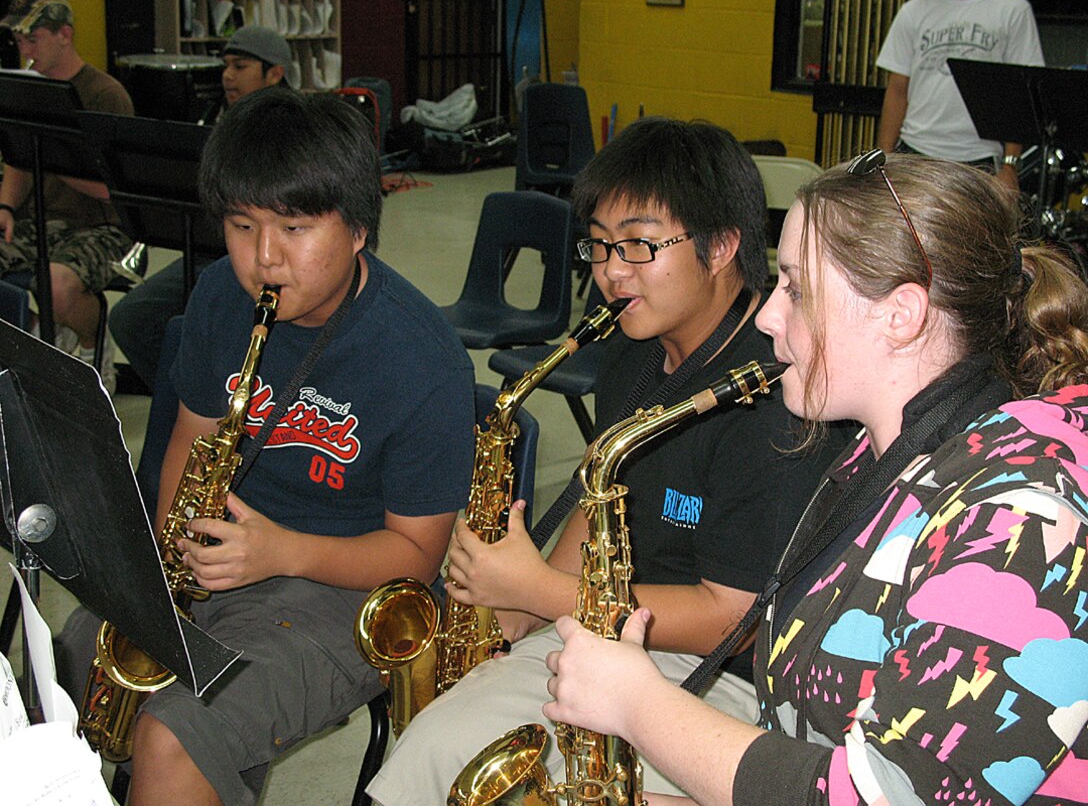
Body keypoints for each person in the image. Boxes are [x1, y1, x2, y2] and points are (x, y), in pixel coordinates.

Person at [544, 151, 1088, 805]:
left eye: (796, 290)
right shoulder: (879, 455)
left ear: (902, 315)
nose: (770, 316)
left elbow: (883, 794)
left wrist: (636, 704)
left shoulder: (1025, 523)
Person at [367, 117, 855, 804]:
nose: (610, 274)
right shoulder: (631, 350)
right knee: (432, 751)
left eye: (638, 246)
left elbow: (727, 617)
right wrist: (516, 610)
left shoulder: (776, 398)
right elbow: (599, 492)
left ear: (721, 247)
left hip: (724, 680)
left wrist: (537, 592)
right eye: (598, 247)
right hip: (604, 629)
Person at [55, 87, 475, 806]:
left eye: (294, 227)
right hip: (222, 559)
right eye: (242, 225)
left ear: (360, 229)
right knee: (68, 656)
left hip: (343, 588)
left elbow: (415, 558)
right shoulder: (223, 294)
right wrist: (163, 573)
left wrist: (280, 553)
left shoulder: (423, 360)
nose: (264, 259)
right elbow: (192, 436)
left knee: (178, 737)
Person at [108, 24, 292, 393]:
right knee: (131, 317)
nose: (227, 76)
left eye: (240, 66)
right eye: (225, 66)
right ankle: (183, 399)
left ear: (274, 73)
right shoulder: (219, 118)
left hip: (267, 257)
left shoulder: (292, 126)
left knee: (231, 326)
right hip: (211, 249)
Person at [0, 0, 134, 391]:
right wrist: (5, 206)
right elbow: (20, 162)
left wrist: (58, 158)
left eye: (33, 39)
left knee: (55, 285)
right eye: (19, 41)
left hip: (100, 225)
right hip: (38, 219)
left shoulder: (104, 94)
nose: (25, 50)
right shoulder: (26, 88)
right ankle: (36, 338)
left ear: (64, 34)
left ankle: (94, 347)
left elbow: (121, 187)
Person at [876, 0, 1044, 191]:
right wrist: (883, 161)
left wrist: (1010, 166)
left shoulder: (1012, 8)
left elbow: (1019, 93)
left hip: (979, 156)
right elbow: (897, 90)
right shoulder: (913, 11)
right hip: (916, 149)